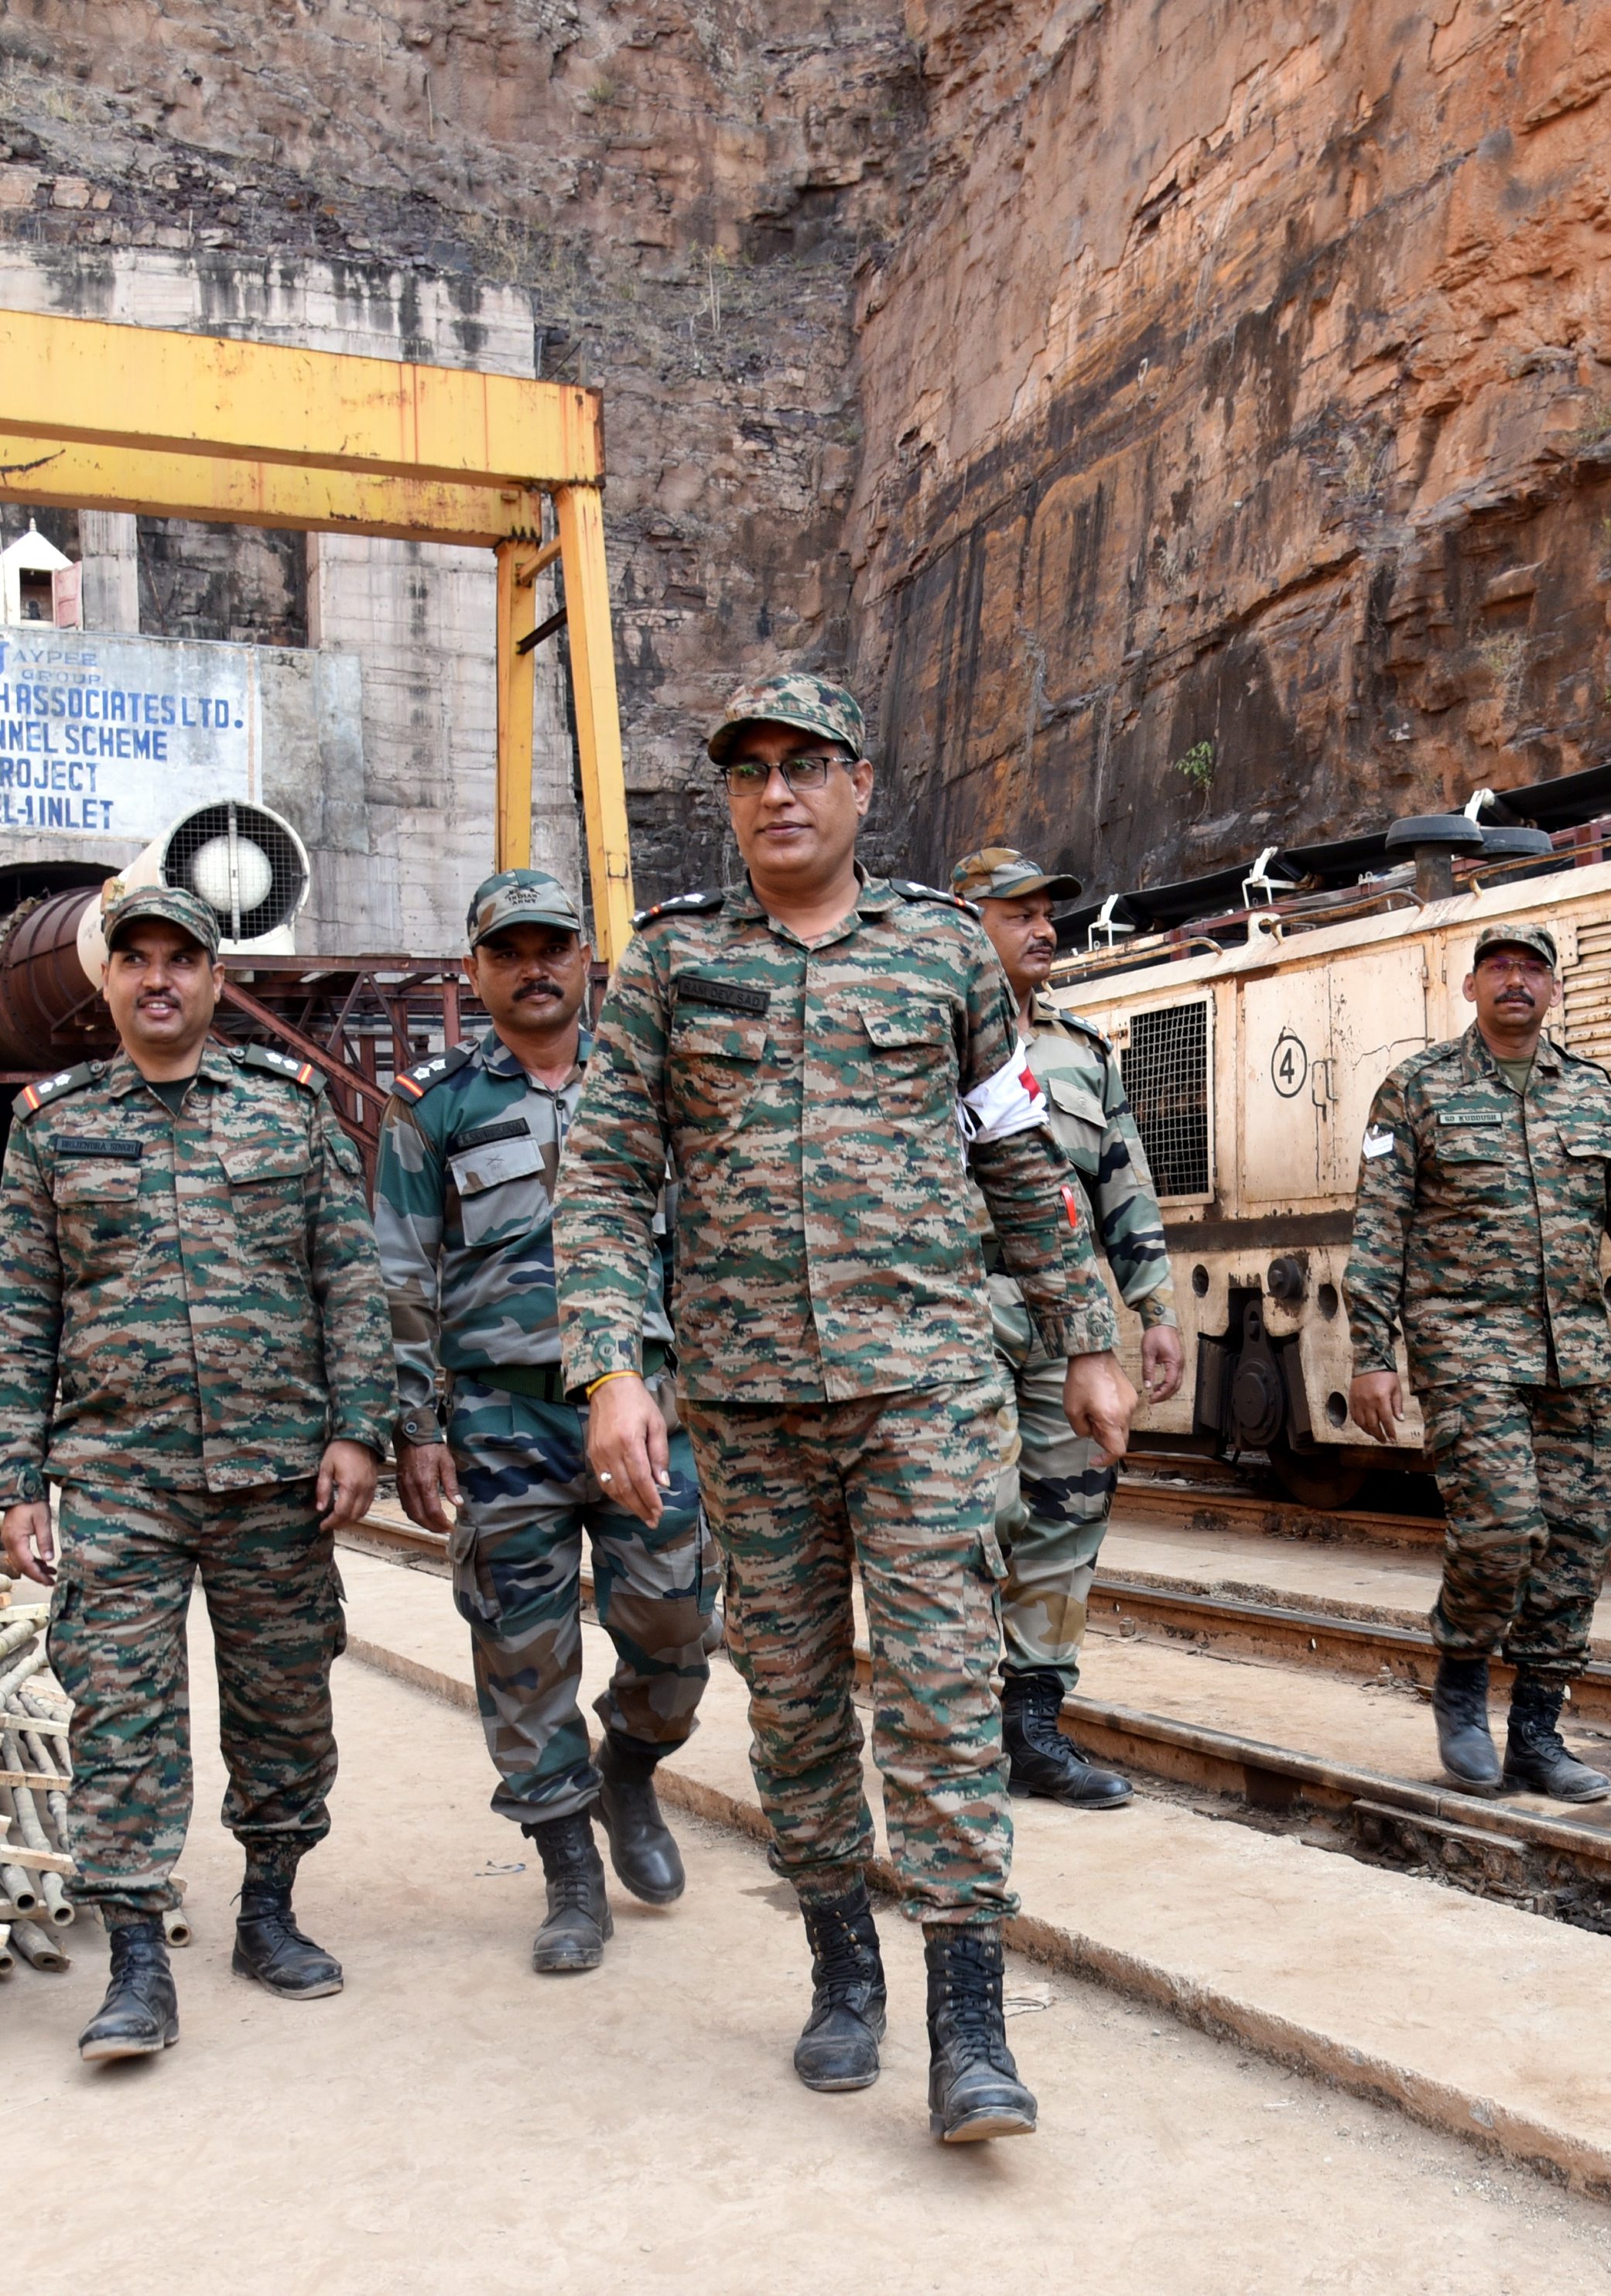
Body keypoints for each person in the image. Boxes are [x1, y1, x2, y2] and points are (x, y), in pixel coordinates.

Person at [557, 670, 1131, 2146]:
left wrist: (1085, 1333)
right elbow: (608, 1175)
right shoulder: (674, 966)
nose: (776, 792)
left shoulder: (943, 955)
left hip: (928, 1388)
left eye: (805, 764)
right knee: (799, 1703)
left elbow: (1018, 1160)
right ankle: (841, 1973)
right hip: (750, 1403)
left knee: (945, 1690)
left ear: (862, 785)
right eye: (747, 771)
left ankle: (970, 2023)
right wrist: (615, 1362)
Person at [0, 881, 391, 2062]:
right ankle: (137, 1958)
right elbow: (20, 1311)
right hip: (118, 1472)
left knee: (285, 1702)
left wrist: (359, 1425)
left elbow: (346, 1278)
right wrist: (17, 1478)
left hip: (275, 1471)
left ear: (218, 981)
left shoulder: (288, 1107)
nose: (158, 979)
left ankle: (270, 1907)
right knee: (120, 1709)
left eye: (183, 959)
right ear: (104, 981)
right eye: (136, 959)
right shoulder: (52, 1125)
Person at [375, 867, 713, 1976]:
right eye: (508, 950)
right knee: (522, 1648)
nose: (533, 967)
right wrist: (416, 1425)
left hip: (647, 1406)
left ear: (584, 959)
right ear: (477, 971)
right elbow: (402, 1276)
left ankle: (630, 1766)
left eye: (552, 945)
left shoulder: (650, 1086)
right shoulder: (439, 1111)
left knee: (676, 1623)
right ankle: (568, 1866)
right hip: (501, 1414)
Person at [1342, 919, 1611, 1802]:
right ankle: (1459, 1677)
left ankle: (1536, 1734)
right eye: (1498, 969)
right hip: (1466, 1351)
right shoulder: (1417, 1091)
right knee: (1502, 1527)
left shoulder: (1591, 1097)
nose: (1515, 981)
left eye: (1532, 970)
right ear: (1471, 987)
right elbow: (1378, 1231)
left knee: (1572, 1548)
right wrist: (1373, 1352)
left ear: (1554, 990)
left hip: (1577, 1361)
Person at [948, 845, 1184, 1808]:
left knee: (1069, 1512)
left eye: (1049, 912)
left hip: (1063, 1318)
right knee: (966, 1514)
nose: (1044, 928)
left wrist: (1156, 1306)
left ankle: (1031, 1726)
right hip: (952, 1309)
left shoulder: (1083, 1054)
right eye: (1017, 912)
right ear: (966, 926)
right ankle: (949, 1724)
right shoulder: (916, 1045)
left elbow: (1123, 1182)